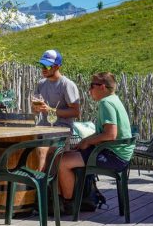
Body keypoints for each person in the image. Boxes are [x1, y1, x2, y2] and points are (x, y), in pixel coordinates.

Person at [58, 72, 135, 214]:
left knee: (62, 161)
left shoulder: (106, 103)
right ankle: (78, 198)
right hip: (117, 153)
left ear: (103, 87)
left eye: (91, 86)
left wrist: (87, 143)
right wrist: (85, 141)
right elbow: (105, 133)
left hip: (113, 156)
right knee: (69, 156)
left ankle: (69, 204)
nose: (89, 90)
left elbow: (110, 134)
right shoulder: (114, 99)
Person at [32, 49, 81, 128]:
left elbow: (76, 112)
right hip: (44, 127)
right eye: (42, 65)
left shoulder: (67, 84)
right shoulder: (41, 84)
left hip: (62, 129)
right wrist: (35, 108)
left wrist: (50, 110)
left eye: (47, 66)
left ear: (57, 66)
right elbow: (34, 111)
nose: (43, 69)